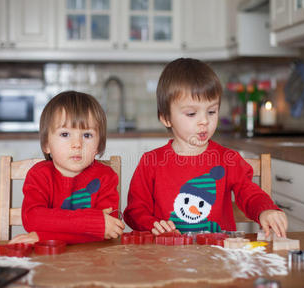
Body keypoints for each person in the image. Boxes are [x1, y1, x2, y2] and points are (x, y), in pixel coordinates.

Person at [123, 58, 287, 238]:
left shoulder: (228, 159)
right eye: (192, 113)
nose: (204, 121)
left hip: (217, 257)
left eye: (211, 111)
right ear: (166, 118)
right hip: (167, 258)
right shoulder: (151, 162)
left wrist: (265, 210)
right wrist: (152, 224)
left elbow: (249, 193)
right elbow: (134, 211)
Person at [10, 91, 125, 244]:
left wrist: (44, 235)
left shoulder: (106, 177)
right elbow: (32, 218)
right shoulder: (39, 175)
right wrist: (92, 222)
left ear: (98, 145)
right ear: (46, 145)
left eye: (87, 135)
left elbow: (108, 231)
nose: (77, 144)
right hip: (48, 260)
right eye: (65, 134)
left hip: (95, 261)